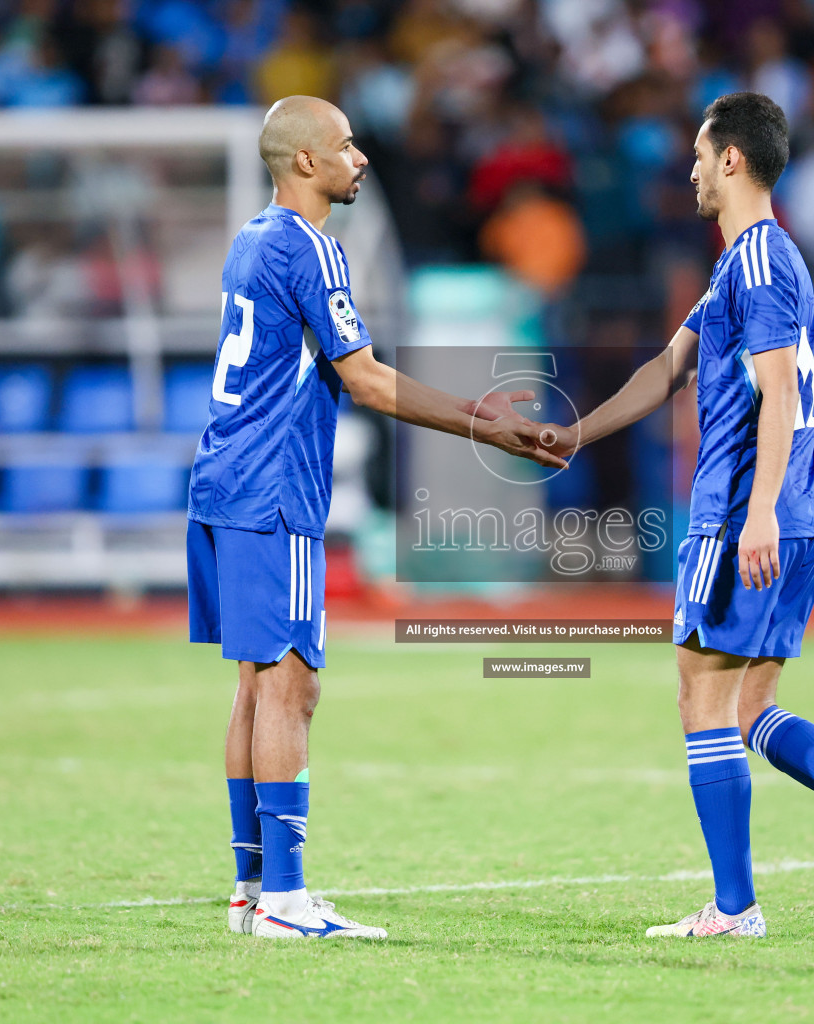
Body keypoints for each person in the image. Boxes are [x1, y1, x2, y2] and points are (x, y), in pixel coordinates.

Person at [543, 93, 814, 937]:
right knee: (749, 710)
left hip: (750, 512)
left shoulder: (756, 263)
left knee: (700, 700)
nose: (688, 169)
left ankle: (734, 908)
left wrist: (754, 517)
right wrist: (574, 432)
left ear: (732, 161)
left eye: (697, 154)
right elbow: (666, 368)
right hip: (798, 513)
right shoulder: (748, 264)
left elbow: (781, 392)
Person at [188, 95, 562, 941]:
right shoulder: (314, 248)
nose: (360, 158)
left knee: (257, 686)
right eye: (346, 146)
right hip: (273, 488)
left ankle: (254, 892)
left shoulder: (251, 239)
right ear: (307, 165)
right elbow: (366, 379)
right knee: (291, 684)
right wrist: (484, 419)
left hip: (221, 481)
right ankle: (284, 900)